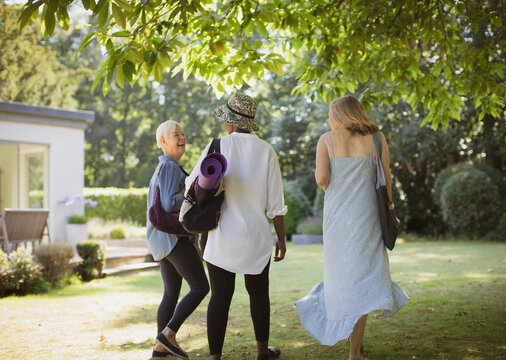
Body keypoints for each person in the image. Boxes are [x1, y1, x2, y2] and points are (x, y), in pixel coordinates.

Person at [295, 96, 409, 360]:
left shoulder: (327, 139)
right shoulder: (377, 138)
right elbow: (386, 177)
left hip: (337, 221)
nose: (328, 120)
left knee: (340, 277)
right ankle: (354, 351)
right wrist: (389, 207)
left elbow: (322, 179)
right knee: (363, 277)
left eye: (330, 115)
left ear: (341, 115)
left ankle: (347, 334)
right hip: (367, 218)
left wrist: (327, 181)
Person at [185, 93, 288, 360]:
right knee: (258, 294)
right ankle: (263, 351)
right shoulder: (266, 151)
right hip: (256, 237)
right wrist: (281, 239)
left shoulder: (217, 146)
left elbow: (191, 186)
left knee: (220, 297)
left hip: (222, 236)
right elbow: (276, 204)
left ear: (230, 121)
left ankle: (214, 357)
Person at [146, 120, 210, 359]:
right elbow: (169, 203)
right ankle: (167, 335)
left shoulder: (164, 167)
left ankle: (159, 352)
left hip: (161, 239)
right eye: (175, 134)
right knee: (201, 286)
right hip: (173, 238)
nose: (182, 137)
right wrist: (189, 192)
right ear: (163, 142)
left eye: (183, 133)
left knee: (171, 293)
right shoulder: (171, 167)